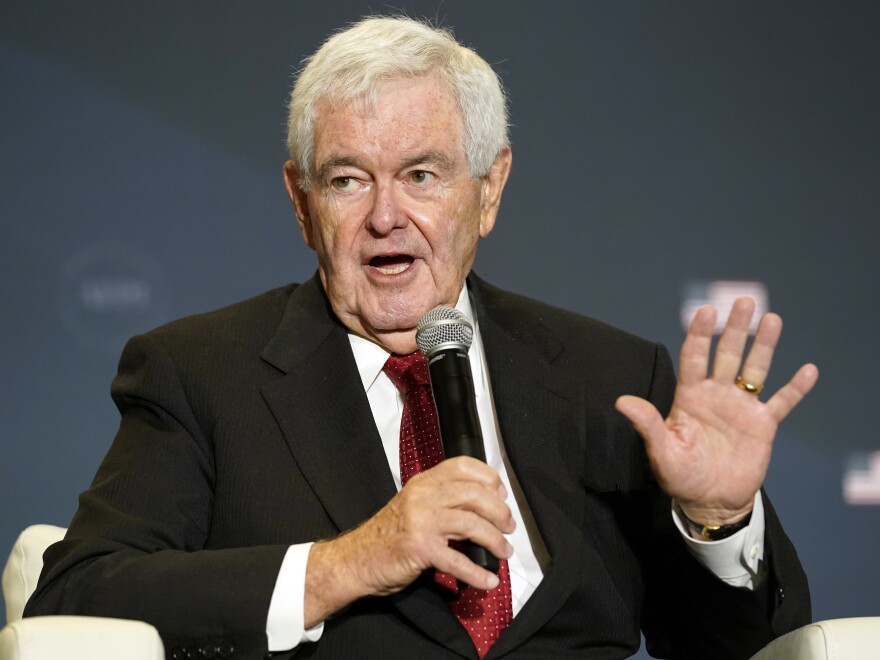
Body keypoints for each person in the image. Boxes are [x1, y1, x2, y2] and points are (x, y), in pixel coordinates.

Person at [26, 15, 819, 660]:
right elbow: (77, 597)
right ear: (301, 204)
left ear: (489, 191)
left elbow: (746, 649)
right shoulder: (200, 375)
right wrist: (350, 562)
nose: (384, 216)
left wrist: (720, 520)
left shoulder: (607, 379)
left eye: (422, 175)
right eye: (346, 179)